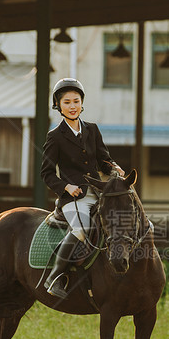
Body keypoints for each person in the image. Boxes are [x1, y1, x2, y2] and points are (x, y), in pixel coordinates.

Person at [41, 78, 125, 298]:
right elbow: (47, 173)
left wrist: (113, 166)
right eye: (67, 102)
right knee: (81, 230)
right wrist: (66, 186)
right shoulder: (55, 137)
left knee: (120, 222)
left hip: (98, 192)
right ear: (58, 106)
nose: (72, 105)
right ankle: (55, 278)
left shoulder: (93, 130)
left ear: (81, 103)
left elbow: (103, 158)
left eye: (76, 101)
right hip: (74, 197)